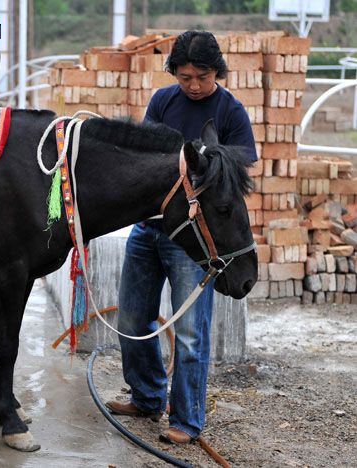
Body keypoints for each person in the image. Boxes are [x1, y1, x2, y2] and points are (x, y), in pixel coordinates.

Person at [106, 31, 257, 444]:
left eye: (202, 76)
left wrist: (205, 160)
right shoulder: (162, 101)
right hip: (149, 227)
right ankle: (147, 395)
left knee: (190, 333)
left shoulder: (231, 111)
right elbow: (146, 155)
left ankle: (187, 420)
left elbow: (242, 164)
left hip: (194, 239)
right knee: (133, 319)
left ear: (217, 72)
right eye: (185, 76)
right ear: (175, 72)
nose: (193, 84)